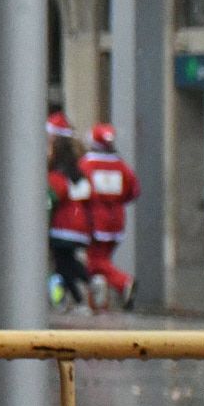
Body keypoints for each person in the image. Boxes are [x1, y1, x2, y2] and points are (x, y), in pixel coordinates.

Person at [80, 122, 139, 310]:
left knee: (94, 263)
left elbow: (80, 191)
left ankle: (123, 283)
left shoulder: (87, 164)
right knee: (103, 260)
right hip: (117, 221)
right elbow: (134, 191)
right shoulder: (121, 166)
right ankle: (100, 301)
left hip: (95, 221)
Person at [47, 121, 93, 310]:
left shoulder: (57, 176)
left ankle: (79, 297)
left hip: (62, 227)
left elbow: (51, 199)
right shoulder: (79, 173)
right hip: (80, 226)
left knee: (63, 264)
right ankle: (88, 283)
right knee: (68, 261)